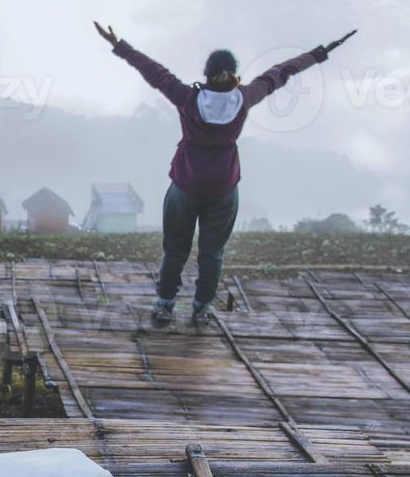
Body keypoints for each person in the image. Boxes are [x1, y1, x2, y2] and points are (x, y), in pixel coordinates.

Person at [94, 22, 356, 325]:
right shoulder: (244, 98)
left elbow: (153, 71)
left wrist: (119, 45)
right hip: (223, 189)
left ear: (206, 74)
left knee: (175, 249)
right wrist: (321, 52)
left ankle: (165, 304)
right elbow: (283, 71)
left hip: (185, 185)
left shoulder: (187, 98)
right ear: (234, 73)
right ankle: (201, 308)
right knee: (212, 252)